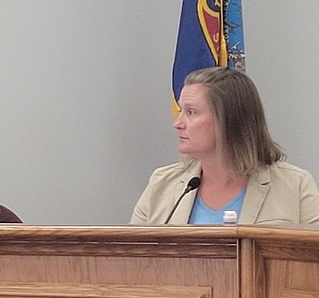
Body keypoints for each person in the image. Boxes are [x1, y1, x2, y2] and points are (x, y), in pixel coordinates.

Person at [131, 67, 319, 225]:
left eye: (191, 112)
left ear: (229, 120)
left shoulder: (295, 186)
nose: (178, 123)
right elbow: (131, 259)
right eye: (181, 111)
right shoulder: (162, 184)